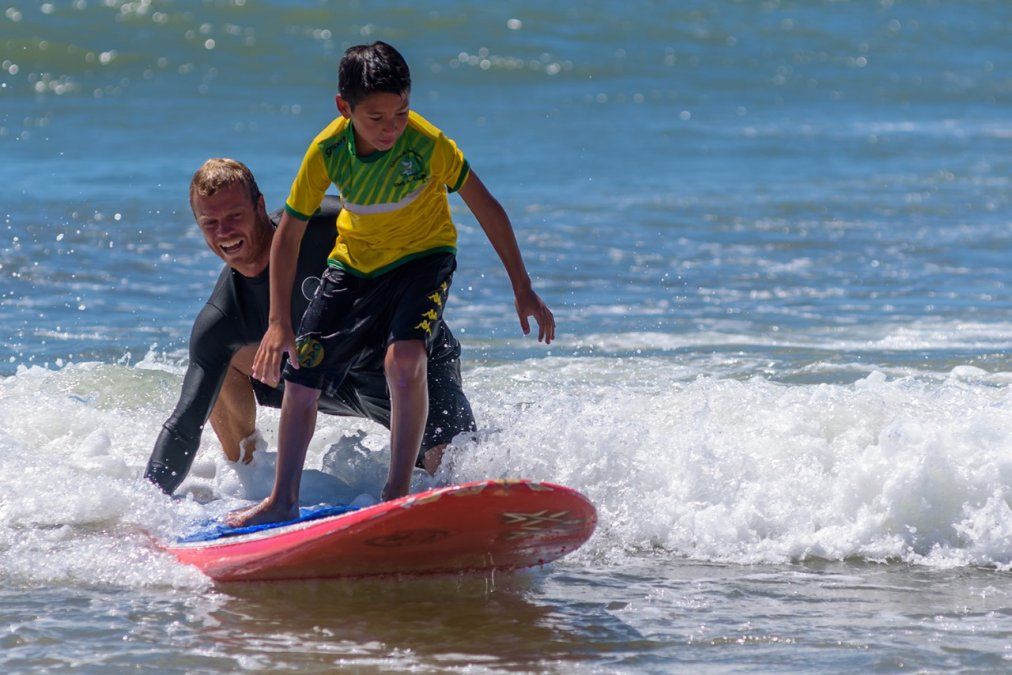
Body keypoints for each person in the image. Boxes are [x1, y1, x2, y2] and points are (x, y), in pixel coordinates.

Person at [227, 41, 554, 527]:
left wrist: (522, 286)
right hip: (356, 264)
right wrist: (279, 323)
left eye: (400, 112)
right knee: (304, 371)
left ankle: (397, 490)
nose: (391, 127)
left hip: (425, 259)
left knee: (404, 361)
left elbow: (488, 207)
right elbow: (288, 234)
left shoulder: (427, 144)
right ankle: (283, 499)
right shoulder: (328, 152)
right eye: (376, 117)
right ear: (345, 108)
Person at [144, 158, 476, 495]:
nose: (224, 233)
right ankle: (251, 476)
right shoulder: (225, 314)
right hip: (320, 378)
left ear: (259, 206)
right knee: (218, 357)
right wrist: (147, 503)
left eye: (234, 216)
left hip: (407, 369)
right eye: (209, 223)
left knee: (452, 472)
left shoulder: (326, 224)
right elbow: (184, 424)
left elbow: (419, 250)